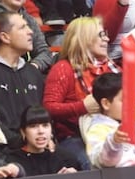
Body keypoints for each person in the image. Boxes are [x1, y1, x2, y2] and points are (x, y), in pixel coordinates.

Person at [42, 17, 115, 153]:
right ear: (84, 38)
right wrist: (83, 107)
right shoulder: (63, 68)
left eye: (105, 35)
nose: (107, 39)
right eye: (101, 35)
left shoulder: (113, 68)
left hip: (113, 133)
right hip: (75, 137)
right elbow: (49, 108)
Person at [0, 12, 46, 147]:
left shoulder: (33, 72)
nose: (31, 32)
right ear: (5, 37)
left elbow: (44, 113)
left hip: (38, 146)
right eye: (23, 28)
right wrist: (20, 142)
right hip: (4, 150)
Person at [5, 106, 82, 176]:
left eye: (45, 125)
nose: (41, 131)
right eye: (33, 126)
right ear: (23, 132)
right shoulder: (13, 161)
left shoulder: (65, 159)